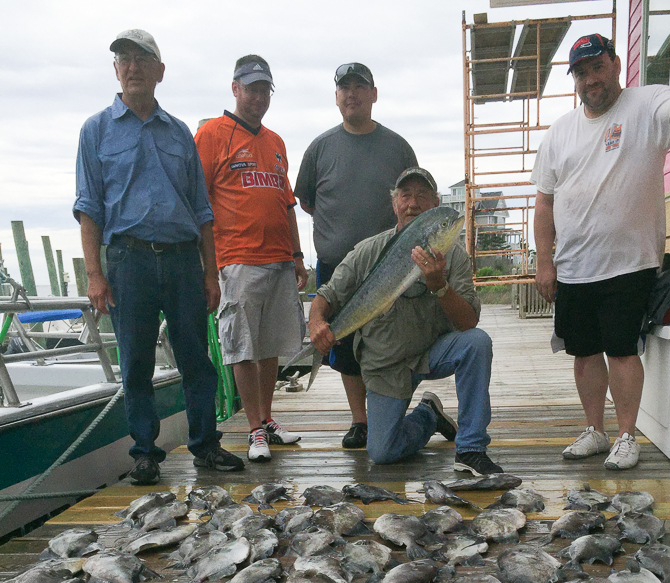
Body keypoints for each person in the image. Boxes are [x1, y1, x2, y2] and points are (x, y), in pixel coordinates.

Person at [532, 33, 670, 470]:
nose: (591, 78)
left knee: (622, 349)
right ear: (575, 79)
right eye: (582, 72)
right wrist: (545, 261)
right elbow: (545, 202)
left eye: (598, 66)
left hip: (629, 262)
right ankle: (595, 429)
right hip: (573, 265)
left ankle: (627, 436)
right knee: (583, 352)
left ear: (614, 64)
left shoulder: (646, 105)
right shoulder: (559, 132)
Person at [74, 29, 244, 485]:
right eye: (124, 59)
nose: (132, 67)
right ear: (115, 70)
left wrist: (212, 273)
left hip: (184, 261)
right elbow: (88, 208)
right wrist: (95, 274)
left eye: (142, 59)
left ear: (160, 72)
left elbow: (202, 209)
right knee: (135, 363)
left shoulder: (179, 132)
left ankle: (205, 445)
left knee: (196, 358)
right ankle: (145, 453)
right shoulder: (95, 130)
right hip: (129, 262)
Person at [308, 167, 502, 476]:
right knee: (383, 452)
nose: (412, 203)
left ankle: (471, 448)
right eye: (405, 195)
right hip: (385, 364)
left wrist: (440, 285)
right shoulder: (367, 250)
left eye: (422, 196)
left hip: (431, 353)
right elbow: (327, 294)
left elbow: (469, 323)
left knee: (477, 343)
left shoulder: (454, 256)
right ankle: (428, 416)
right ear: (394, 203)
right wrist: (317, 321)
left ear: (434, 204)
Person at [294, 62, 418, 450]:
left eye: (359, 87)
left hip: (388, 263)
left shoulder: (397, 146)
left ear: (373, 94)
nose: (352, 94)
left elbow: (414, 201)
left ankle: (391, 413)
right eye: (344, 88)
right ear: (336, 97)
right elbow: (307, 201)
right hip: (336, 267)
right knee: (344, 347)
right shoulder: (319, 147)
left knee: (385, 341)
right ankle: (360, 421)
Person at [195, 56, 306, 463]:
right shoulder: (211, 134)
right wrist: (208, 265)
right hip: (237, 258)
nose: (258, 96)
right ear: (235, 88)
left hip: (279, 258)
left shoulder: (275, 142)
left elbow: (288, 203)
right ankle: (253, 429)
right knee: (242, 346)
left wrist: (297, 255)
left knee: (271, 343)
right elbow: (198, 202)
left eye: (265, 90)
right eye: (252, 88)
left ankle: (268, 418)